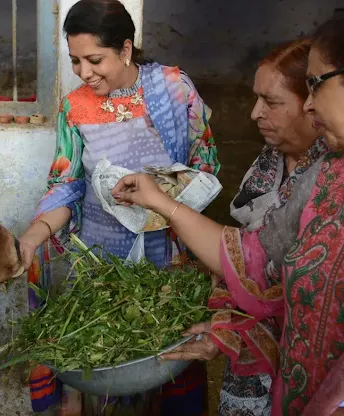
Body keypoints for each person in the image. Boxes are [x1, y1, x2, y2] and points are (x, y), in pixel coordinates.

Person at [111, 17, 344, 416]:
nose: (309, 102)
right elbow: (252, 260)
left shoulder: (176, 90)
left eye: (314, 85)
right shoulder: (324, 180)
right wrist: (234, 331)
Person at [18, 0, 220, 414]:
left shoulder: (174, 88)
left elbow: (207, 167)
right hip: (100, 271)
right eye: (75, 61)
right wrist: (34, 234)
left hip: (170, 268)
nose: (84, 73)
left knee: (169, 364)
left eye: (95, 60)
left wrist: (158, 195)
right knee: (103, 373)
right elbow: (65, 184)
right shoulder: (74, 109)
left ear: (126, 49)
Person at [156, 38, 327, 416]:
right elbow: (245, 268)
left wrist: (161, 203)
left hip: (312, 374)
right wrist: (225, 330)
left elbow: (254, 262)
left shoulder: (328, 183)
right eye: (256, 98)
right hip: (252, 371)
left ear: (313, 105)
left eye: (272, 102)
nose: (254, 113)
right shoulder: (267, 167)